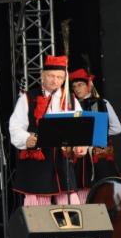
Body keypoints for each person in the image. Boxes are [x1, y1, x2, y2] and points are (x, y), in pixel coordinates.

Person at [9, 55, 87, 206]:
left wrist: (81, 145)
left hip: (63, 162)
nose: (55, 80)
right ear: (42, 76)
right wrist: (26, 139)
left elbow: (81, 128)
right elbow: (15, 127)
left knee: (71, 206)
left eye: (59, 77)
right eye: (51, 76)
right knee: (38, 208)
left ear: (64, 79)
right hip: (37, 162)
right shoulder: (28, 98)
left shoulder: (70, 99)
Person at [70, 68, 121, 195]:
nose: (77, 89)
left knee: (104, 188)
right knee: (82, 189)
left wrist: (99, 134)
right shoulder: (71, 107)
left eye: (80, 85)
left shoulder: (102, 103)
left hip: (99, 156)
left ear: (88, 85)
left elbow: (117, 128)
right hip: (80, 157)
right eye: (74, 86)